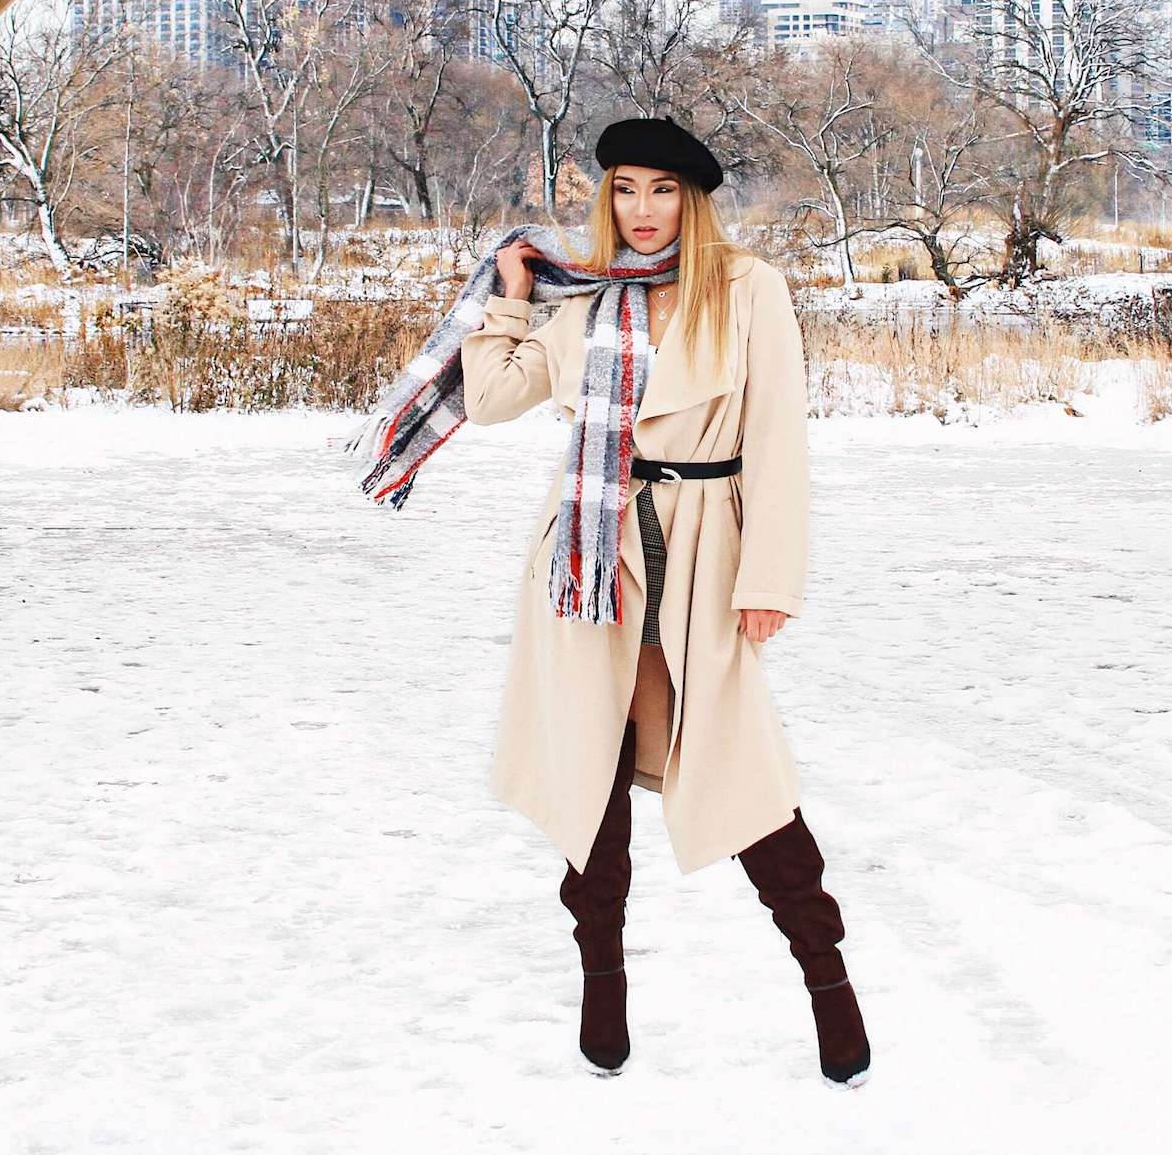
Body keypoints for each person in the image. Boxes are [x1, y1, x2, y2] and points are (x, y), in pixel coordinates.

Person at [343, 114, 869, 1088]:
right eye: (625, 188)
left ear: (692, 199)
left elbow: (779, 442)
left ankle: (829, 987)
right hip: (587, 563)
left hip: (704, 555)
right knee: (592, 778)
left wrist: (769, 578)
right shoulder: (584, 297)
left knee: (740, 772)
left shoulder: (748, 289)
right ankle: (603, 992)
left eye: (662, 190)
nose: (641, 210)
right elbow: (496, 398)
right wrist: (505, 300)